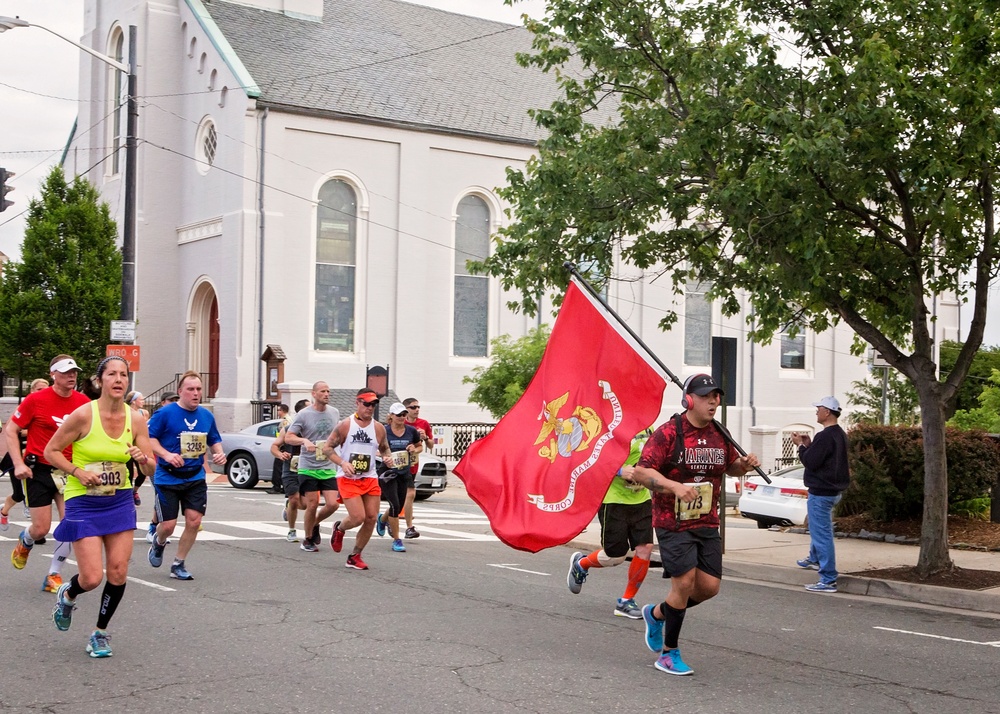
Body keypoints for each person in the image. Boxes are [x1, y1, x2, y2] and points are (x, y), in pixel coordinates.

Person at [631, 374, 760, 676]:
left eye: (716, 396)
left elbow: (729, 466)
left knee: (709, 588)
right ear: (689, 400)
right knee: (684, 582)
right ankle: (668, 653)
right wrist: (673, 487)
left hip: (707, 521)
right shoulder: (669, 433)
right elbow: (641, 472)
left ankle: (657, 613)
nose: (713, 401)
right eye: (705, 396)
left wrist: (745, 465)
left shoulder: (720, 433)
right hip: (672, 522)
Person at [44, 355, 156, 658]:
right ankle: (68, 594)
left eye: (124, 375)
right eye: (112, 374)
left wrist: (143, 459)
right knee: (92, 577)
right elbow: (51, 450)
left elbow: (150, 469)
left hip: (118, 500)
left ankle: (100, 633)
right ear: (100, 380)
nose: (119, 380)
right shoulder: (82, 415)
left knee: (118, 572)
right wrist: (78, 472)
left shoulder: (136, 419)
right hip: (83, 500)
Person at [4, 356, 90, 593]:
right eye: (65, 372)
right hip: (39, 469)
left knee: (69, 524)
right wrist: (19, 463)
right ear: (53, 374)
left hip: (69, 470)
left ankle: (53, 574)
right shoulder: (36, 400)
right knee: (41, 528)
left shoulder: (83, 403)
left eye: (74, 372)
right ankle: (27, 539)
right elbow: (11, 429)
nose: (71, 376)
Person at [146, 371, 226, 580]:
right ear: (180, 391)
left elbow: (214, 439)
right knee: (168, 526)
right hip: (168, 476)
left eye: (199, 389)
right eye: (190, 389)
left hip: (195, 477)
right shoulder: (165, 413)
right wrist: (166, 454)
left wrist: (219, 453)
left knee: (193, 521)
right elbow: (149, 439)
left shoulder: (207, 416)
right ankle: (159, 541)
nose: (195, 393)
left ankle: (178, 563)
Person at [567, 429, 654, 619]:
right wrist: (620, 471)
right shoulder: (614, 424)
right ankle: (581, 564)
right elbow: (592, 458)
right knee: (615, 557)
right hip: (613, 500)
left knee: (645, 548)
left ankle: (626, 601)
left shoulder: (648, 424)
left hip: (641, 499)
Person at [326, 389, 393, 570]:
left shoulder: (378, 428)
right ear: (358, 403)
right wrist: (342, 463)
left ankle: (355, 556)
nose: (370, 408)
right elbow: (327, 448)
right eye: (367, 404)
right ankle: (339, 528)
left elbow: (385, 448)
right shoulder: (345, 425)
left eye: (373, 404)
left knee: (371, 518)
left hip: (369, 476)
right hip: (348, 477)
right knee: (357, 517)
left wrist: (387, 457)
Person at [793, 396, 851, 593]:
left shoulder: (825, 436)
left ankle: (828, 578)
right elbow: (822, 458)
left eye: (818, 409)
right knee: (820, 530)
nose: (816, 412)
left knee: (821, 534)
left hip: (821, 492)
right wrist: (809, 445)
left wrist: (800, 446)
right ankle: (814, 558)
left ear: (827, 412)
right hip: (832, 491)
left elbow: (811, 462)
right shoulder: (839, 434)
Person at [284, 383, 340, 552]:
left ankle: (314, 524)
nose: (326, 394)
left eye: (328, 391)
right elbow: (288, 437)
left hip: (328, 464)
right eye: (323, 391)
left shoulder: (334, 412)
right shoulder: (304, 414)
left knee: (332, 504)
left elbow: (339, 434)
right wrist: (304, 441)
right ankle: (308, 539)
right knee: (313, 503)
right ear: (314, 394)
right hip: (308, 466)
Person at [1, 378, 49, 531]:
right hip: (20, 455)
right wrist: (30, 431)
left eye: (46, 390)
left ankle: (30, 518)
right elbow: (12, 429)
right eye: (39, 390)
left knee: (29, 492)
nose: (43, 393)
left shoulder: (48, 408)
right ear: (32, 391)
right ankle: (6, 511)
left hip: (38, 458)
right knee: (19, 493)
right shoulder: (26, 406)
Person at [374, 402, 422, 552]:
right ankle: (397, 540)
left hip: (404, 471)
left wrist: (414, 449)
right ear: (391, 416)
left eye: (403, 414)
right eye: (398, 415)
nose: (402, 417)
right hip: (387, 472)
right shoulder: (384, 431)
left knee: (399, 505)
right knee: (394, 504)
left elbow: (420, 446)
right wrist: (383, 456)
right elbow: (374, 448)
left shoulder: (411, 431)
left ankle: (382, 520)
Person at [143, 391, 179, 544]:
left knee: (164, 497)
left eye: (176, 400)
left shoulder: (178, 419)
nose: (174, 403)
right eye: (171, 400)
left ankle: (157, 527)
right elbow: (146, 438)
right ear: (163, 402)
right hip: (157, 464)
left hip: (173, 465)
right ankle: (153, 528)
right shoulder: (157, 418)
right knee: (161, 495)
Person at [270, 400, 308, 542]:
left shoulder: (313, 429)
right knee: (294, 499)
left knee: (305, 504)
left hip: (308, 469)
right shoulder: (288, 429)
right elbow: (274, 446)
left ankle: (289, 508)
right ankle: (292, 530)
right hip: (291, 468)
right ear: (301, 413)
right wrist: (280, 454)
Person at [401, 397, 433, 539]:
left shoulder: (423, 424)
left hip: (413, 465)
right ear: (406, 410)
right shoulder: (401, 422)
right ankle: (407, 527)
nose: (417, 410)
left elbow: (431, 445)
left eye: (418, 407)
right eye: (413, 407)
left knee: (406, 497)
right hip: (399, 464)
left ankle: (385, 520)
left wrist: (425, 438)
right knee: (406, 495)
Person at [125, 391, 150, 506]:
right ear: (134, 401)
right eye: (141, 399)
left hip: (139, 446)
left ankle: (134, 491)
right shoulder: (126, 412)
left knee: (142, 472)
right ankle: (127, 497)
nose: (143, 401)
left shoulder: (144, 413)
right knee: (129, 473)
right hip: (128, 446)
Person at [265, 403, 290, 495]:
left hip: (282, 447)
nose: (278, 412)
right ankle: (283, 486)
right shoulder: (289, 419)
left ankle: (277, 487)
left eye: (279, 410)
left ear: (282, 411)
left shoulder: (285, 421)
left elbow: (284, 434)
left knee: (278, 468)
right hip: (285, 446)